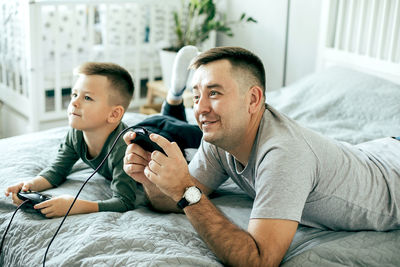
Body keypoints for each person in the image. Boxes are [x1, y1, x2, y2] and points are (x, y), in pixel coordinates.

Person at [123, 46, 400, 266]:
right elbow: (175, 199)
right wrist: (147, 177)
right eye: (196, 97)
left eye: (215, 93)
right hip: (374, 151)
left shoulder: (284, 154)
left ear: (254, 100)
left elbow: (259, 260)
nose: (200, 109)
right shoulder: (219, 138)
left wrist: (185, 187)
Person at [4, 62, 138, 218]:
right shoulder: (76, 134)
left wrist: (76, 206)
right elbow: (56, 171)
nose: (74, 102)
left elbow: (124, 202)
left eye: (87, 97)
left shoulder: (124, 149)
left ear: (114, 114)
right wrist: (29, 185)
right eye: (75, 94)